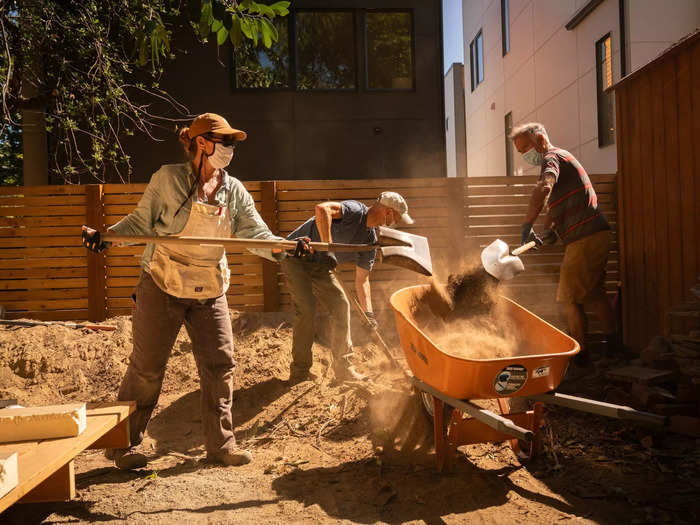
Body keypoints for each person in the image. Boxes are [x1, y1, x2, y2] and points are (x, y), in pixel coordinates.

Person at [81, 113, 282, 469]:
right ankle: (121, 446)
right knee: (146, 369)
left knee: (220, 366)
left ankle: (221, 446)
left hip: (210, 287)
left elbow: (256, 234)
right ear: (202, 143)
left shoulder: (232, 190)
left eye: (233, 143)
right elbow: (140, 224)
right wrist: (106, 237)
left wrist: (285, 247)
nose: (231, 149)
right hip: (163, 282)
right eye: (225, 142)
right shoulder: (168, 180)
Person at [511, 122, 616, 365]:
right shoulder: (563, 158)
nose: (524, 155)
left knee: (569, 298)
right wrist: (548, 232)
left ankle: (580, 357)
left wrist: (527, 224)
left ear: (540, 139)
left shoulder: (552, 157)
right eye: (520, 152)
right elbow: (557, 204)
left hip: (584, 238)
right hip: (595, 233)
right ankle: (613, 349)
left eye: (525, 147)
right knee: (596, 294)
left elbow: (545, 187)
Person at [282, 193, 414, 384]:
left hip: (321, 265)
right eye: (396, 217)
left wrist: (368, 314)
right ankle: (300, 371)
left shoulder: (369, 241)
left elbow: (363, 280)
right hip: (296, 257)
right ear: (387, 212)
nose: (394, 223)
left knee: (341, 306)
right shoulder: (354, 211)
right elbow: (322, 209)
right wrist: (328, 248)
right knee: (307, 310)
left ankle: (344, 368)